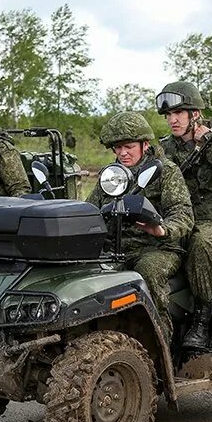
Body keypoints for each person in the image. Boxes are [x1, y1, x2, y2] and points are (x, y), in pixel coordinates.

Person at [86, 111, 194, 339]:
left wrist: (162, 229)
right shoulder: (111, 174)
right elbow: (90, 210)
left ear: (145, 144)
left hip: (157, 248)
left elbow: (183, 214)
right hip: (114, 248)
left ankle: (161, 343)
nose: (122, 153)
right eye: (117, 148)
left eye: (128, 147)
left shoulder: (165, 171)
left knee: (147, 274)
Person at [156, 81, 212, 350]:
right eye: (169, 115)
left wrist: (208, 141)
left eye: (178, 114)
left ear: (195, 114)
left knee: (202, 244)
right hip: (179, 216)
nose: (172, 121)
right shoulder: (165, 147)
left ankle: (202, 321)